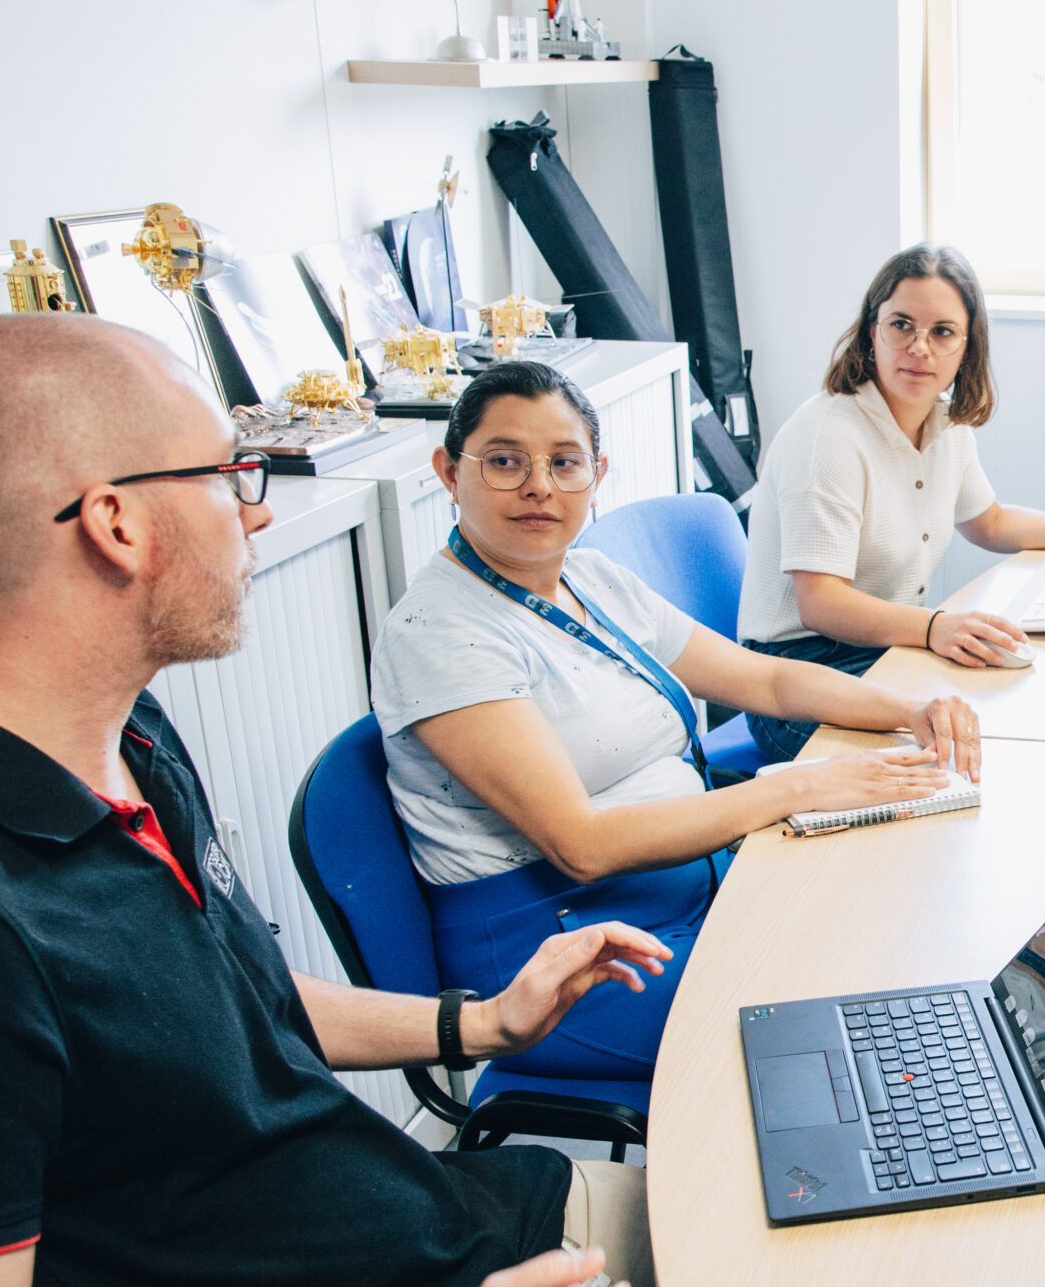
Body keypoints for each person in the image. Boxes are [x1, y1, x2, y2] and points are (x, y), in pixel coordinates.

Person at [0, 316, 725, 1287]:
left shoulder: (128, 738)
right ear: (115, 521)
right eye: (227, 474)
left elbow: (232, 1003)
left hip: (444, 1235)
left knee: (809, 1239)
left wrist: (478, 1021)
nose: (253, 514)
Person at [369, 360, 982, 1081]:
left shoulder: (591, 579)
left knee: (900, 918)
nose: (539, 485)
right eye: (504, 462)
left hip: (677, 885)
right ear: (450, 471)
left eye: (565, 463)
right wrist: (793, 789)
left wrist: (911, 709)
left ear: (597, 476)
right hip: (564, 954)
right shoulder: (442, 633)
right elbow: (583, 847)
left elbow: (767, 678)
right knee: (863, 1022)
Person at [737, 242, 1045, 763]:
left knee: (1007, 706)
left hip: (883, 651)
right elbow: (821, 601)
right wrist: (934, 628)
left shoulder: (944, 423)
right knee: (961, 749)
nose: (920, 347)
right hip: (797, 680)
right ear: (871, 332)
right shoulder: (829, 437)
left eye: (942, 332)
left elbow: (990, 523)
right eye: (901, 325)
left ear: (967, 348)